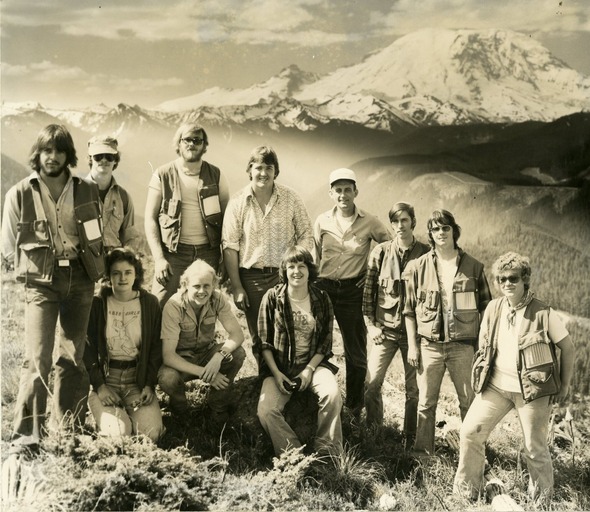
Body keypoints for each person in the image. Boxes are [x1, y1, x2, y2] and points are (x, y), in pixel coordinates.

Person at [1, 124, 106, 454]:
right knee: (38, 358)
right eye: (47, 150)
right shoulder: (19, 192)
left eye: (59, 151)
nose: (53, 157)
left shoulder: (86, 190)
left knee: (74, 357)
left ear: (68, 156)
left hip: (81, 278)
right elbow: (7, 246)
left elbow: (96, 234)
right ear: (38, 154)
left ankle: (68, 432)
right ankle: (27, 438)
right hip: (42, 283)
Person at [454, 252, 574, 502]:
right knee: (469, 432)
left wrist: (564, 385)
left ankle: (541, 502)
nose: (507, 283)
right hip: (496, 386)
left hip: (532, 391)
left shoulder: (543, 313)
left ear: (525, 280)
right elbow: (485, 345)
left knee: (534, 448)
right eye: (502, 279)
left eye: (513, 278)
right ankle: (467, 494)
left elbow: (568, 347)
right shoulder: (493, 308)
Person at [404, 209, 491, 456]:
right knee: (425, 404)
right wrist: (412, 346)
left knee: (469, 404)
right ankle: (423, 456)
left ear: (454, 230)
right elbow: (409, 310)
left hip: (463, 348)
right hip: (429, 346)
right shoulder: (418, 267)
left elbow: (486, 309)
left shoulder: (473, 267)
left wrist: (482, 346)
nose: (441, 233)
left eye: (445, 228)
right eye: (435, 229)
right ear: (430, 234)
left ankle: (473, 455)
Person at [222, 146, 313, 366]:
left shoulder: (291, 198)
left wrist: (296, 267)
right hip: (250, 279)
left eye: (269, 168)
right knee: (260, 335)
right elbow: (230, 246)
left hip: (285, 276)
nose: (263, 173)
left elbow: (306, 234)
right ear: (250, 170)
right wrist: (237, 287)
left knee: (288, 329)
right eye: (258, 167)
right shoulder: (237, 202)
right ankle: (266, 380)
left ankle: (291, 377)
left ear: (276, 171)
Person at [313, 168, 391, 419]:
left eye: (348, 189)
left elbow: (389, 251)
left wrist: (373, 279)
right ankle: (314, 400)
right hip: (323, 289)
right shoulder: (322, 220)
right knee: (315, 345)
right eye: (338, 190)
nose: (343, 195)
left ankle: (353, 410)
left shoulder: (370, 221)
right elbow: (315, 255)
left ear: (356, 191)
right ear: (330, 193)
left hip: (352, 292)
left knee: (355, 354)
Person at [256, 246, 342, 456]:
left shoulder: (321, 298)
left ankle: (327, 453)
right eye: (291, 266)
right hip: (280, 368)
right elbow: (264, 343)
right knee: (266, 410)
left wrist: (309, 370)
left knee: (332, 395)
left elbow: (325, 343)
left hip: (314, 365)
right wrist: (276, 374)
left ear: (309, 270)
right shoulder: (272, 298)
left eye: (301, 266)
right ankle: (294, 456)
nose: (296, 271)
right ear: (284, 271)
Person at [363, 202, 429, 447]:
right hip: (385, 332)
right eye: (395, 221)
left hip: (415, 337)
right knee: (371, 384)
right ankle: (373, 434)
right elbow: (368, 293)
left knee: (414, 392)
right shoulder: (380, 252)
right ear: (390, 224)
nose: (400, 226)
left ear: (413, 221)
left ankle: (409, 440)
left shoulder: (426, 253)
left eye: (404, 220)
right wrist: (371, 325)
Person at [145, 122, 230, 306]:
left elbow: (228, 220)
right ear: (178, 144)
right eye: (187, 140)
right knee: (159, 304)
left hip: (209, 253)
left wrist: (226, 257)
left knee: (206, 308)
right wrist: (159, 259)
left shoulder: (216, 175)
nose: (192, 144)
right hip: (173, 253)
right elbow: (150, 219)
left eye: (197, 140)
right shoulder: (162, 175)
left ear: (204, 146)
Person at [84, 248, 164, 442]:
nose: (122, 278)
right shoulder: (97, 303)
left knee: (151, 435)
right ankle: (100, 412)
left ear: (136, 274)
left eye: (128, 272)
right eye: (116, 273)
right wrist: (100, 386)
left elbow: (155, 348)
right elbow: (87, 348)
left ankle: (128, 414)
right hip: (107, 380)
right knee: (118, 436)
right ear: (108, 276)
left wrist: (149, 385)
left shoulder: (149, 303)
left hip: (136, 382)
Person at [158, 259, 246, 425]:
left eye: (207, 286)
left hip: (208, 353)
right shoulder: (174, 306)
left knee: (238, 353)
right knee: (167, 377)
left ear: (214, 285)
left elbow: (237, 335)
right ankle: (181, 410)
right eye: (196, 286)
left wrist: (219, 357)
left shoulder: (218, 298)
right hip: (181, 360)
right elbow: (168, 356)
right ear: (185, 285)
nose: (202, 291)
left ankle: (217, 406)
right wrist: (205, 374)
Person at [86, 135, 141, 253]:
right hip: (84, 265)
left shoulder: (124, 197)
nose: (104, 160)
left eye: (109, 156)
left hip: (114, 263)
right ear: (90, 159)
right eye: (98, 156)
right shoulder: (76, 193)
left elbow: (130, 238)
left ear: (115, 160)